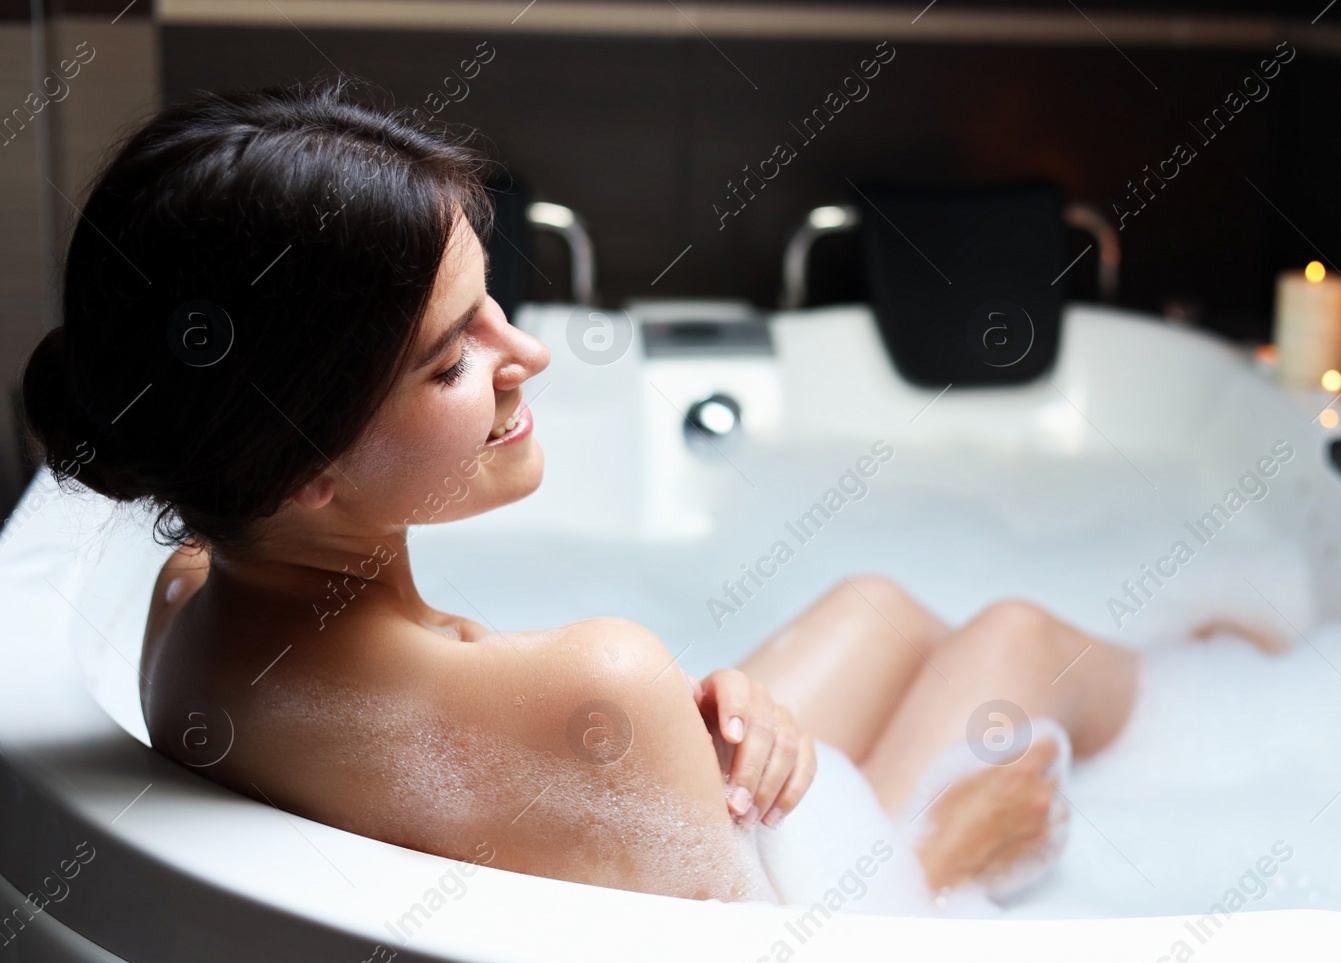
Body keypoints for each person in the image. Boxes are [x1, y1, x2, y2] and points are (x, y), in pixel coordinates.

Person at [20, 80, 1138, 905]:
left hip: (658, 835)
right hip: (823, 937)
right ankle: (1248, 660)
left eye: (492, 300)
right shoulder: (593, 684)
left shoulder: (188, 596)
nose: (527, 355)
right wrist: (950, 846)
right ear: (305, 467)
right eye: (452, 358)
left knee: (876, 611)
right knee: (1015, 631)